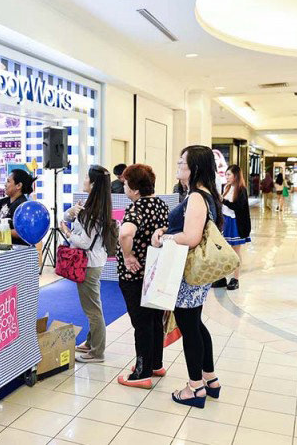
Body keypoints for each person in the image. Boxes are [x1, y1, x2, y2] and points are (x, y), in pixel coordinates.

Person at [151, 145, 223, 409]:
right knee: (196, 325)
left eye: (182, 161)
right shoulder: (207, 195)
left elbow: (191, 237)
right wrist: (167, 230)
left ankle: (195, 388)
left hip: (187, 271)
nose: (178, 165)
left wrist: (163, 238)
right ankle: (210, 380)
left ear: (195, 167)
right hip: (194, 271)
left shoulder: (196, 196)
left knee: (190, 328)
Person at [115, 164, 169, 388]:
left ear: (135, 189)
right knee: (155, 319)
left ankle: (142, 373)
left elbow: (125, 233)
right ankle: (155, 363)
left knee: (142, 323)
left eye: (126, 184)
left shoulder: (136, 208)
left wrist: (128, 256)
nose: (124, 187)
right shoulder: (161, 205)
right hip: (156, 271)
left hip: (135, 275)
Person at [59, 165, 117, 364]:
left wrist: (67, 233)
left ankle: (97, 352)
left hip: (88, 264)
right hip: (95, 261)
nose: (83, 179)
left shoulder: (92, 211)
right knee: (93, 305)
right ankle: (91, 343)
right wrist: (71, 212)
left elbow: (84, 242)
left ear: (92, 184)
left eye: (86, 177)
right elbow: (68, 217)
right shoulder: (96, 206)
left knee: (92, 309)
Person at [220, 165, 251, 291]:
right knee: (223, 251)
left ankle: (235, 279)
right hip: (225, 221)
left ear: (236, 176)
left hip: (235, 222)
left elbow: (238, 207)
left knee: (235, 251)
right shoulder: (226, 187)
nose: (226, 177)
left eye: (229, 175)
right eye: (226, 174)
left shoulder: (241, 189)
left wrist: (223, 201)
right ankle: (222, 277)